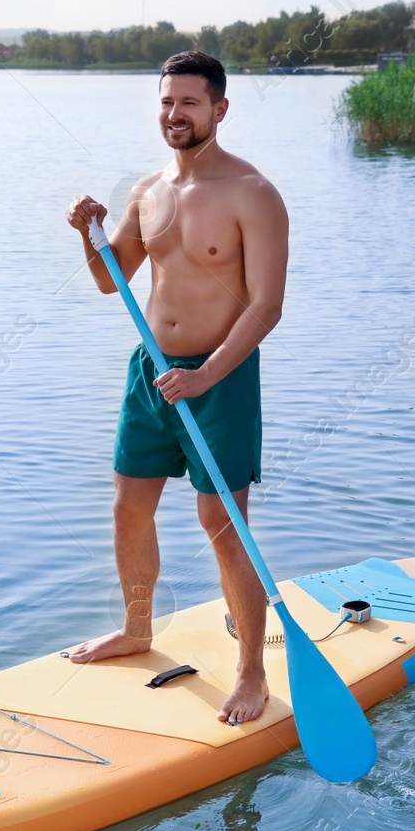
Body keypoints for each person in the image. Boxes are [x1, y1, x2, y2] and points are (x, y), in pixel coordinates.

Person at [63, 50, 289, 726]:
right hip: (152, 372)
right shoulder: (148, 191)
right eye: (166, 102)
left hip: (219, 379)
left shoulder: (253, 192)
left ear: (219, 109)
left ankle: (251, 672)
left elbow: (266, 306)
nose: (175, 114)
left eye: (190, 103)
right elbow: (112, 281)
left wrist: (206, 374)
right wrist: (88, 235)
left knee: (224, 526)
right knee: (127, 509)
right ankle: (137, 629)